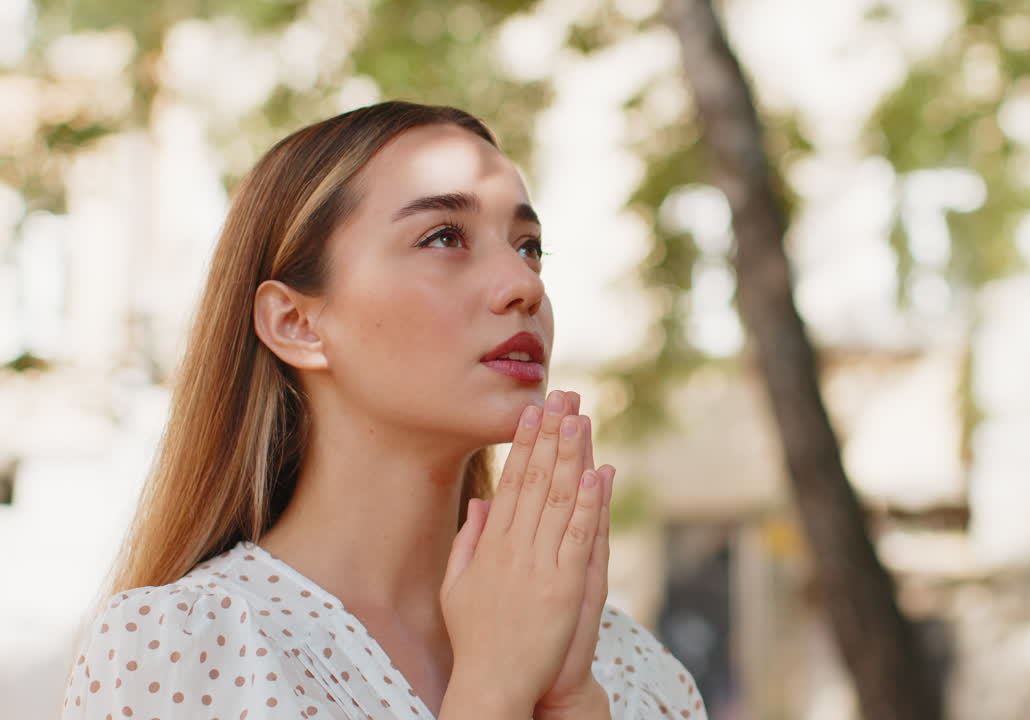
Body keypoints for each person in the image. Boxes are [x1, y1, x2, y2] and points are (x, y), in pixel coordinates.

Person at [59, 101, 708, 720]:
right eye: (444, 237)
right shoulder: (182, 650)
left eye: (528, 245)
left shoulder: (632, 671)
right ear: (296, 323)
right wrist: (491, 692)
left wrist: (574, 706)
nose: (525, 285)